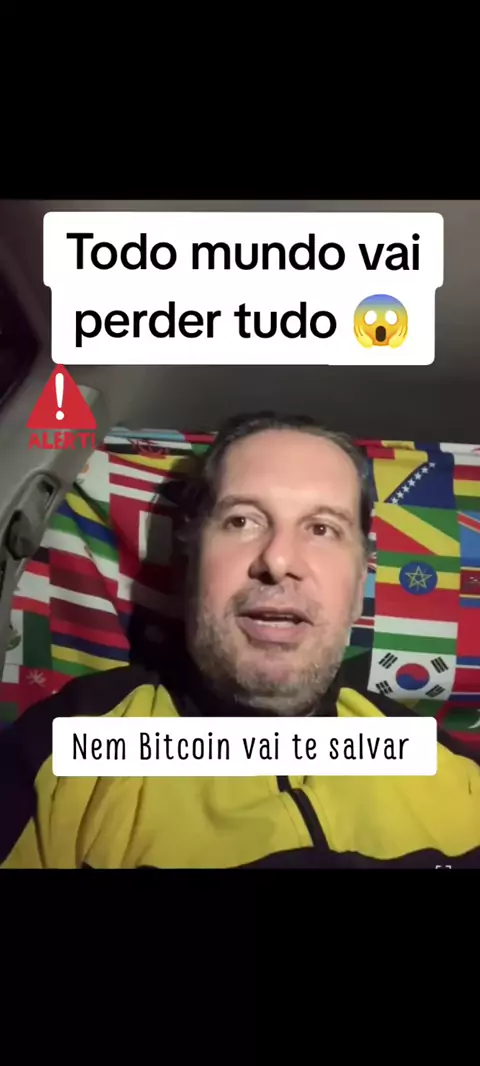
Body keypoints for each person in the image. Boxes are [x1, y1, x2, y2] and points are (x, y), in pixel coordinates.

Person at [1, 412, 479, 869]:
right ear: (189, 564)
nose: (278, 560)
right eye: (241, 521)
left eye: (322, 528)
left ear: (359, 586)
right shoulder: (63, 754)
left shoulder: (451, 770)